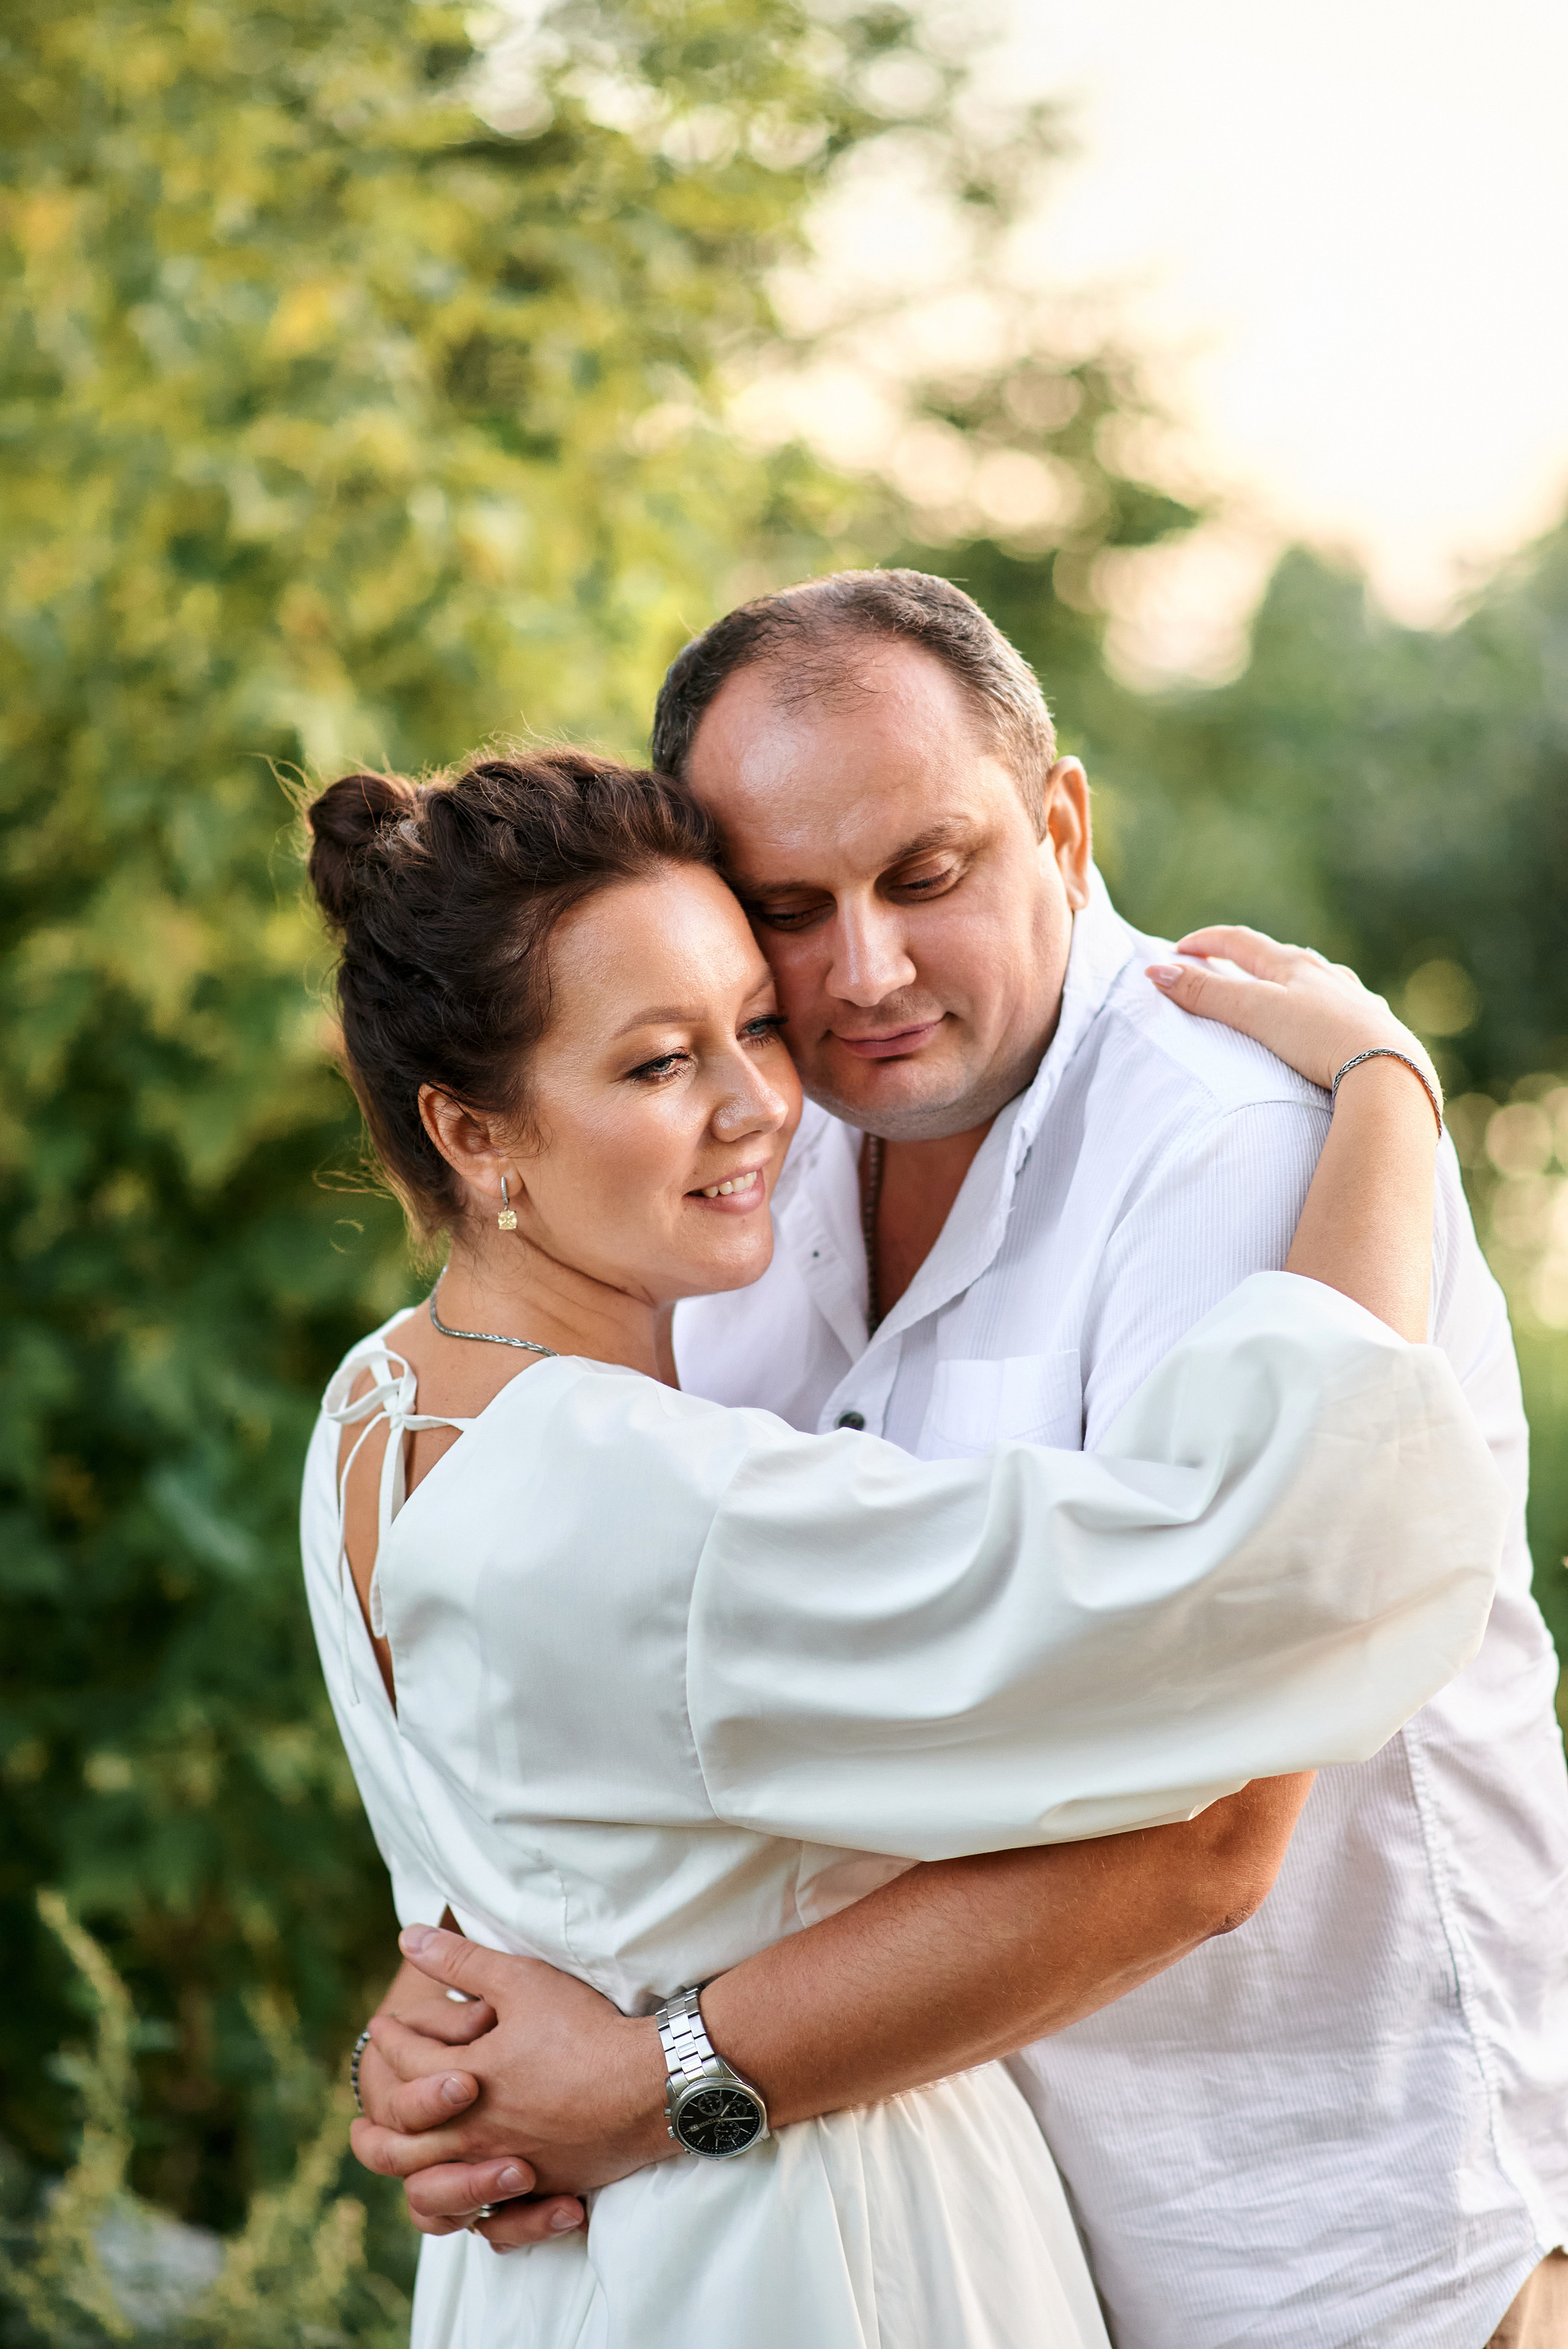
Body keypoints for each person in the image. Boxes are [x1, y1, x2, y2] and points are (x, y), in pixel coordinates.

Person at [356, 575, 1568, 2349]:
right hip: (952, 2233)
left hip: (1322, 2244)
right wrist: (465, 2014)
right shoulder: (747, 1165)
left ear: (1060, 824)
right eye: (790, 910)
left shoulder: (1229, 1137)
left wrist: (652, 2079)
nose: (864, 971)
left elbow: (1217, 1821)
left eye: (926, 874)